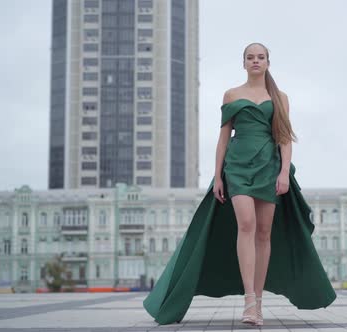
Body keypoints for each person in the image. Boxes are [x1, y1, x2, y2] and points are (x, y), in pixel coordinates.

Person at [143, 42, 336, 326]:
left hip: (269, 167)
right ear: (243, 63)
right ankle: (248, 300)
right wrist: (218, 175)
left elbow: (284, 138)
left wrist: (284, 172)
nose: (255, 61)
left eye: (261, 57)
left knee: (263, 232)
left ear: (268, 62)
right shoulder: (231, 94)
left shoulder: (279, 97)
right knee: (245, 224)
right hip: (237, 167)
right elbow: (223, 139)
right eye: (250, 57)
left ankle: (258, 301)